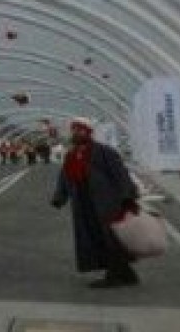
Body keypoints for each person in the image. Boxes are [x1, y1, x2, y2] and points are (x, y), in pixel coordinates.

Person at [50, 117, 141, 288]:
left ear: (88, 132)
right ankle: (127, 274)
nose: (76, 133)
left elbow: (121, 174)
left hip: (107, 203)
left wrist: (127, 196)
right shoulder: (72, 155)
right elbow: (66, 177)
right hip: (84, 204)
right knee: (95, 237)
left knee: (111, 238)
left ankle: (113, 276)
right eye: (74, 130)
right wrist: (59, 197)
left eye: (80, 130)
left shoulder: (104, 152)